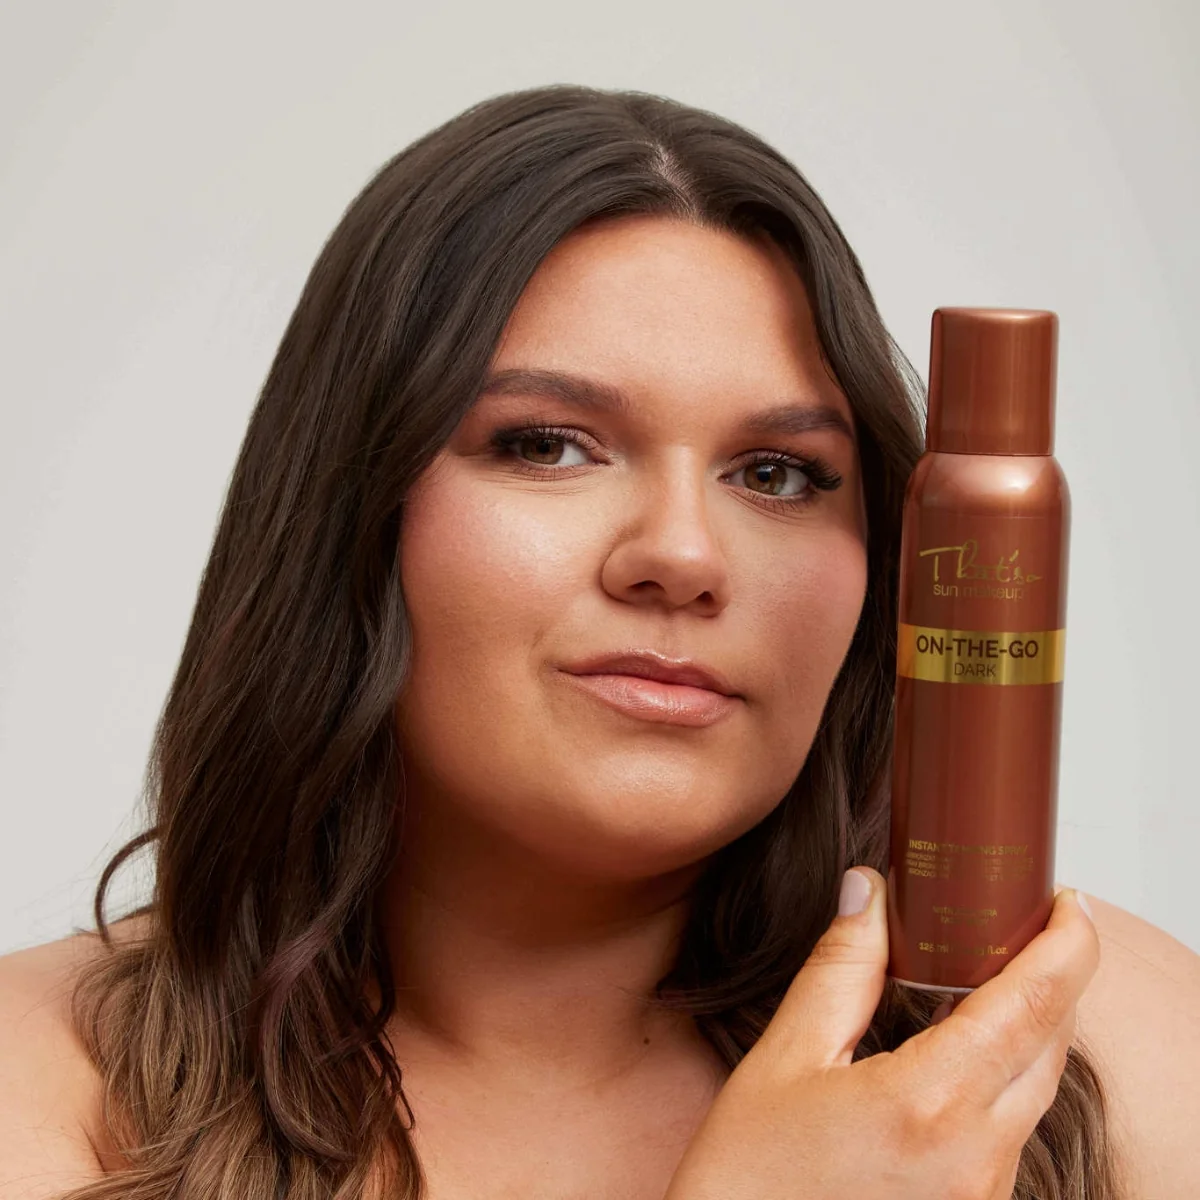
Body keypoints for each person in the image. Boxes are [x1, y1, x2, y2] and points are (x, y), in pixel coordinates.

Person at [1, 83, 1197, 1200]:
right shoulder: (44, 1086)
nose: (681, 554)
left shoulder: (1105, 1047)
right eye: (546, 446)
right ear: (349, 509)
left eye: (776, 473)